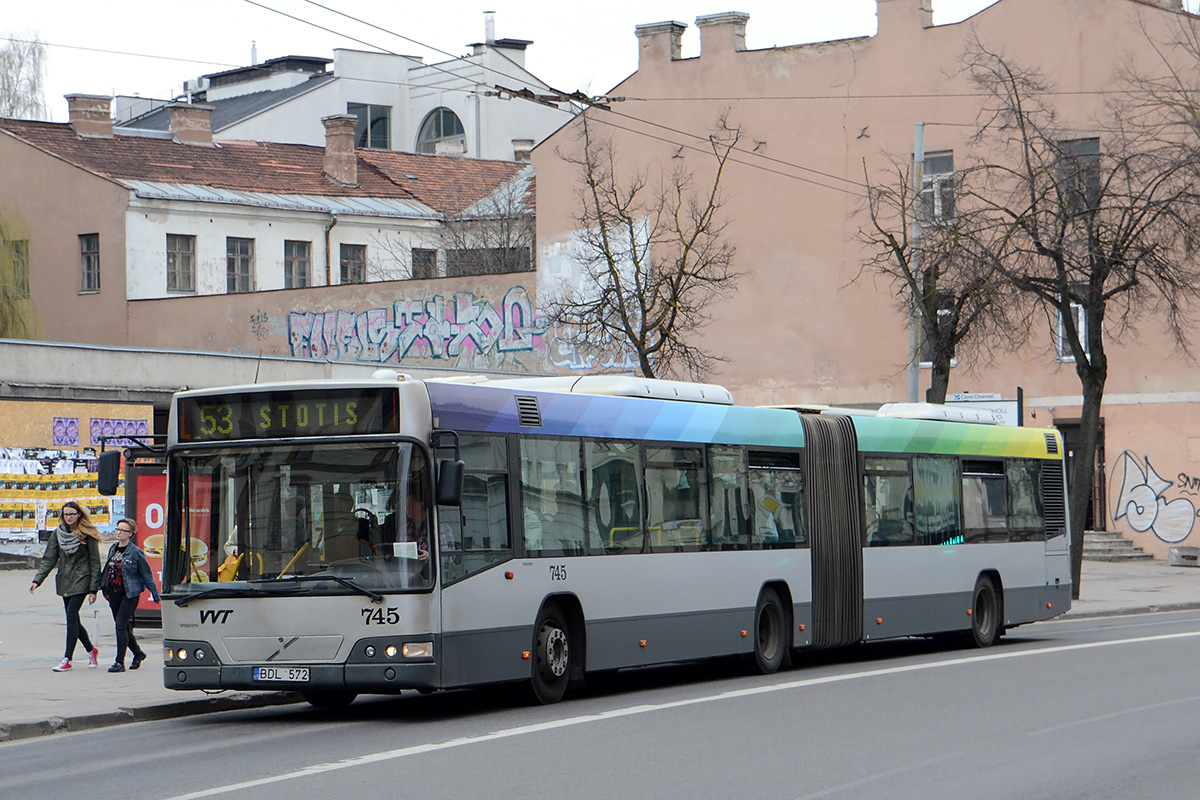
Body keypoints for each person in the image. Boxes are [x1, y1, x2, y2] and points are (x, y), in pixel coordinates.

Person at [29, 501, 103, 671]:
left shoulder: (87, 534)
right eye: (65, 514)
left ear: (79, 515)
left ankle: (67, 658)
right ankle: (91, 650)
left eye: (71, 514)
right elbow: (49, 559)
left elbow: (94, 563)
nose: (68, 517)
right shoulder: (58, 534)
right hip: (64, 580)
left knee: (71, 616)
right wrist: (37, 580)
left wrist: (93, 589)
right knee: (74, 619)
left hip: (82, 580)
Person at [101, 518, 161, 672]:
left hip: (130, 594)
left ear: (130, 533)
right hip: (113, 593)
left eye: (123, 530)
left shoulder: (136, 552)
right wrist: (103, 588)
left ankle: (119, 662)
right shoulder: (113, 548)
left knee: (120, 625)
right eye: (118, 529)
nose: (119, 532)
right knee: (125, 628)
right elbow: (108, 570)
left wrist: (155, 594)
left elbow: (147, 575)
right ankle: (138, 653)